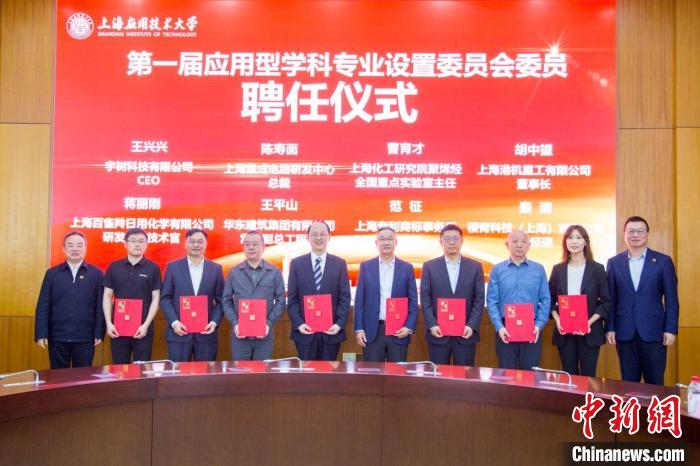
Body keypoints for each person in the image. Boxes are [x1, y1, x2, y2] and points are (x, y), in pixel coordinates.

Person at [606, 216, 679, 385]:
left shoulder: (663, 261)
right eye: (631, 231)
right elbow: (611, 299)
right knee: (628, 384)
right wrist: (610, 327)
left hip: (654, 332)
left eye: (640, 231)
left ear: (647, 234)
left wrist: (670, 329)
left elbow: (672, 299)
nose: (635, 235)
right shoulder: (614, 263)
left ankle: (654, 405)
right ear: (624, 234)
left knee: (655, 383)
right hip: (624, 332)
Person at [34, 231, 104, 369]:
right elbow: (43, 305)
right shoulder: (52, 274)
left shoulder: (96, 274)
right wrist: (41, 334)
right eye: (71, 245)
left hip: (85, 337)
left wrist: (99, 332)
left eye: (79, 245)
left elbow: (101, 307)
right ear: (64, 249)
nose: (75, 249)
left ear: (85, 248)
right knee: (58, 376)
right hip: (57, 336)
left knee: (82, 376)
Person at [548, 225, 610, 377]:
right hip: (565, 332)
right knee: (569, 376)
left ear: (585, 242)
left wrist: (588, 323)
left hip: (589, 331)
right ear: (565, 242)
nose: (574, 241)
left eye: (578, 237)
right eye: (570, 238)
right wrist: (558, 320)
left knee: (588, 377)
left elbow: (606, 301)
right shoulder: (558, 269)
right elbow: (549, 300)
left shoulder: (597, 269)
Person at [420, 224, 485, 365]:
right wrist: (432, 325)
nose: (451, 242)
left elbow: (479, 299)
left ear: (462, 241)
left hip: (465, 333)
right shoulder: (429, 266)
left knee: (464, 376)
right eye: (447, 239)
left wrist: (471, 325)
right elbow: (425, 298)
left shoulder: (475, 267)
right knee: (438, 375)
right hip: (438, 333)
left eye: (455, 238)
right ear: (441, 242)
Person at [487, 229, 550, 370]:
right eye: (515, 241)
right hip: (505, 329)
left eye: (523, 242)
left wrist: (538, 325)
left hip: (532, 328)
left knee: (530, 374)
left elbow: (546, 299)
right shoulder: (497, 270)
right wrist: (499, 327)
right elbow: (491, 301)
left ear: (529, 245)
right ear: (507, 245)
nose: (519, 245)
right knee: (507, 373)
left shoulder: (538, 269)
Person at [287, 221, 351, 361]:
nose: (318, 238)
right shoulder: (297, 264)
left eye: (322, 234)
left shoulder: (339, 264)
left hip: (331, 332)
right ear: (307, 237)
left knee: (328, 373)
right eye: (314, 234)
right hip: (305, 332)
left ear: (329, 237)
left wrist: (339, 324)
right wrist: (299, 324)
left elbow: (345, 298)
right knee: (306, 373)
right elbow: (292, 299)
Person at [354, 227, 418, 362]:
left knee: (397, 372)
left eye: (390, 239)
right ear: (376, 243)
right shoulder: (366, 266)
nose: (386, 242)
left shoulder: (407, 268)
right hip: (372, 330)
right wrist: (359, 329)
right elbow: (360, 300)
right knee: (372, 371)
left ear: (396, 242)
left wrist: (409, 326)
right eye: (382, 239)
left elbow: (413, 301)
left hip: (399, 330)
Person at [160, 228, 225, 362]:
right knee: (178, 373)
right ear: (185, 243)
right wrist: (174, 322)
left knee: (205, 373)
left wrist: (214, 322)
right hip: (179, 333)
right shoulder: (173, 267)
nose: (196, 245)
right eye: (192, 241)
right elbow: (165, 298)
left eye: (200, 242)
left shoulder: (215, 269)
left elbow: (221, 300)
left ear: (206, 244)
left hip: (206, 333)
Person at [222, 230, 285, 361]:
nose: (251, 247)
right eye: (247, 244)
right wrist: (235, 323)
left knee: (261, 372)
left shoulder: (274, 272)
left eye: (255, 244)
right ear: (243, 247)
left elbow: (281, 301)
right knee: (241, 372)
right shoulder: (234, 272)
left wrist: (268, 323)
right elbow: (226, 301)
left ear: (263, 247)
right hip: (240, 336)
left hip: (264, 336)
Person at [103, 228, 162, 364]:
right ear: (125, 244)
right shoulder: (114, 267)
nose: (137, 244)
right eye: (133, 241)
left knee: (141, 368)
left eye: (141, 241)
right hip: (118, 328)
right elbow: (107, 296)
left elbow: (156, 298)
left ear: (146, 244)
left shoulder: (153, 268)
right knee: (119, 368)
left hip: (143, 328)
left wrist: (146, 325)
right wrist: (109, 323)